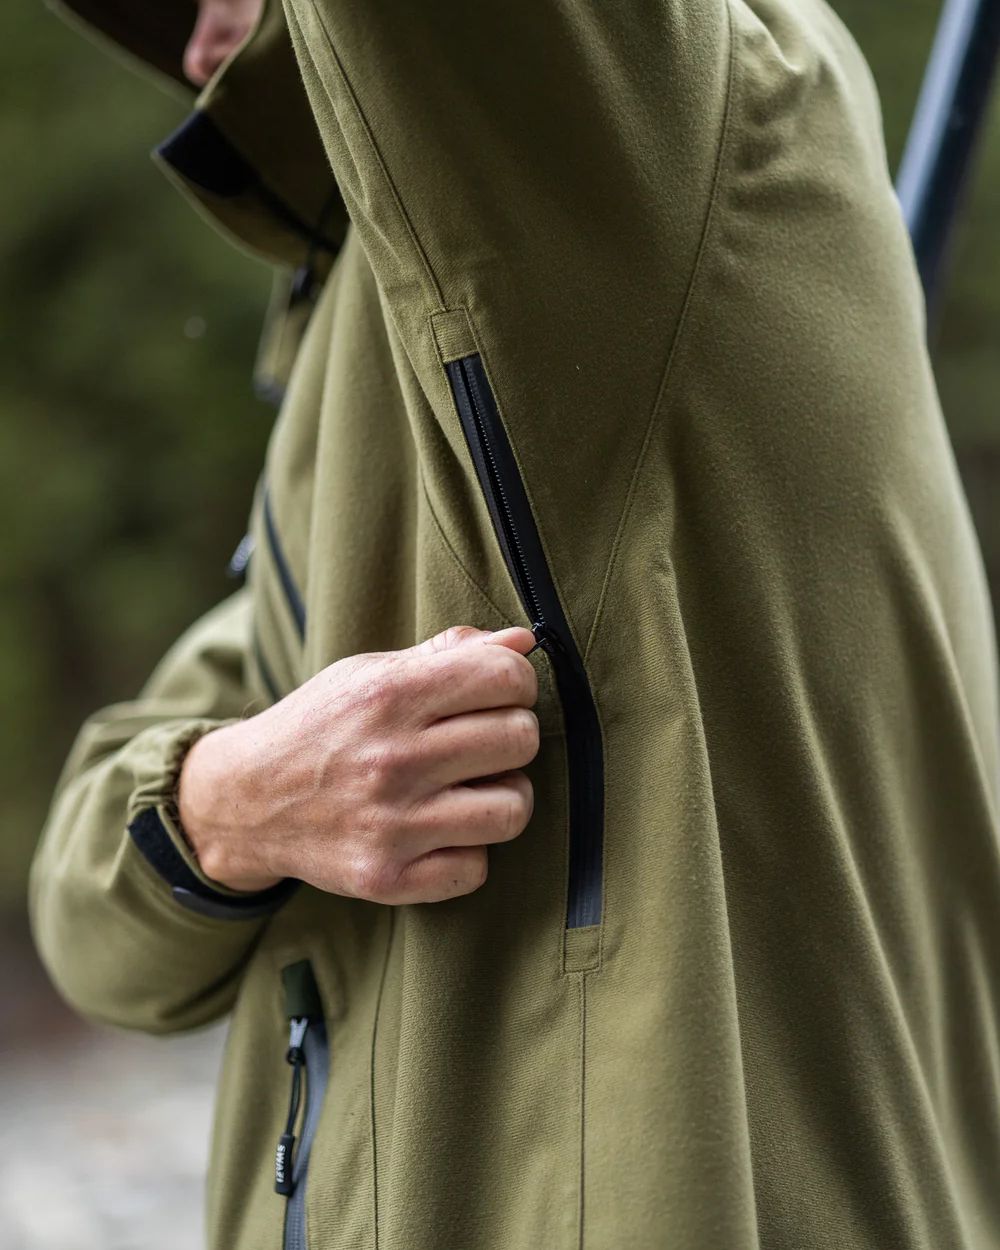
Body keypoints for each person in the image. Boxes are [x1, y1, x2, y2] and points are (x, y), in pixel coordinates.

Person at [30, 0, 1000, 1246]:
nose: (187, 33)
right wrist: (227, 800)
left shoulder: (676, 102)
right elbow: (88, 907)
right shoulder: (359, 357)